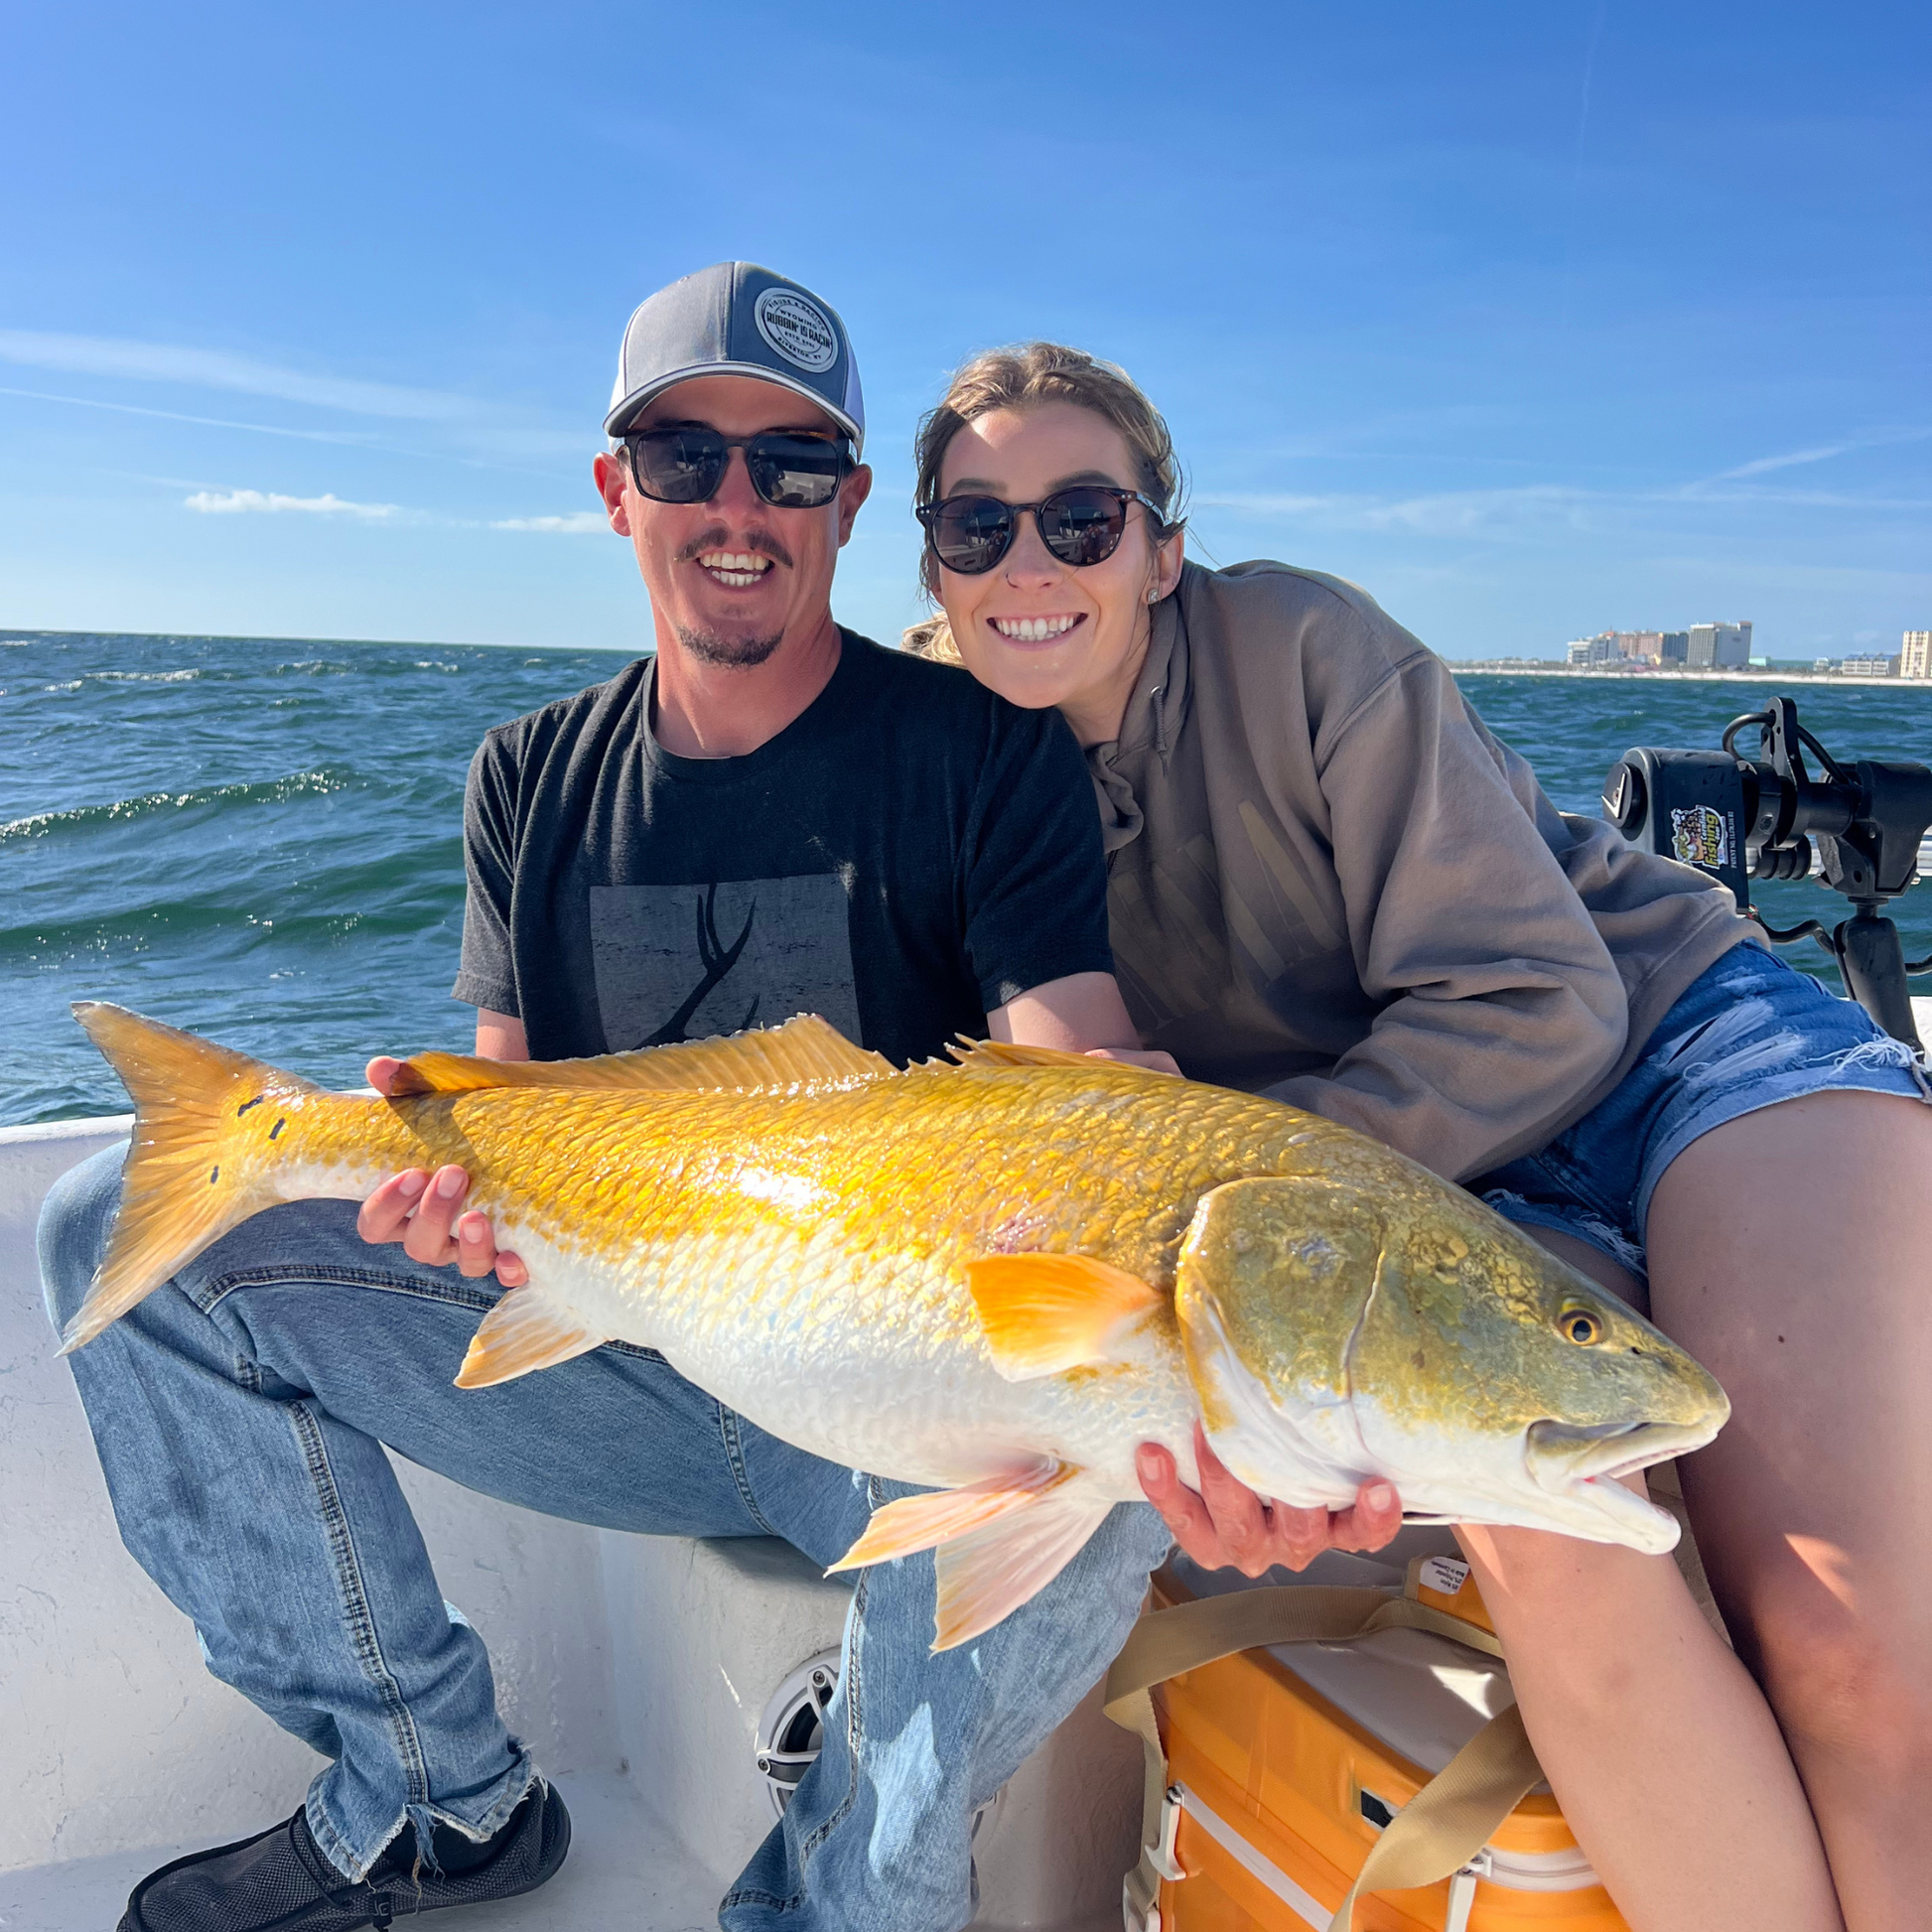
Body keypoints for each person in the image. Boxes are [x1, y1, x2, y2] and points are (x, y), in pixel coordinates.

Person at [38, 266, 1174, 1932]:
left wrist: (1150, 1141)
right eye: (681, 453)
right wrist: (443, 1195)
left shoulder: (977, 748)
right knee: (113, 1232)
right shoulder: (528, 770)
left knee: (1099, 1507)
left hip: (877, 1382)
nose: (737, 505)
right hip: (618, 1348)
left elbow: (1069, 1045)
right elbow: (505, 1107)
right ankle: (436, 1795)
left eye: (790, 465)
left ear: (848, 505)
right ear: (612, 487)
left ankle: (826, 1908)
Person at [904, 341, 1932, 1932]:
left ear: (1161, 545)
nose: (1028, 562)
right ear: (932, 564)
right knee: (1569, 1557)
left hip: (1670, 1049)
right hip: (1420, 1192)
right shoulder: (938, 772)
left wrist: (1248, 1227)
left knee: (1840, 1634)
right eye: (977, 528)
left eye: (1082, 516)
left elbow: (1540, 998)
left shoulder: (1302, 643)